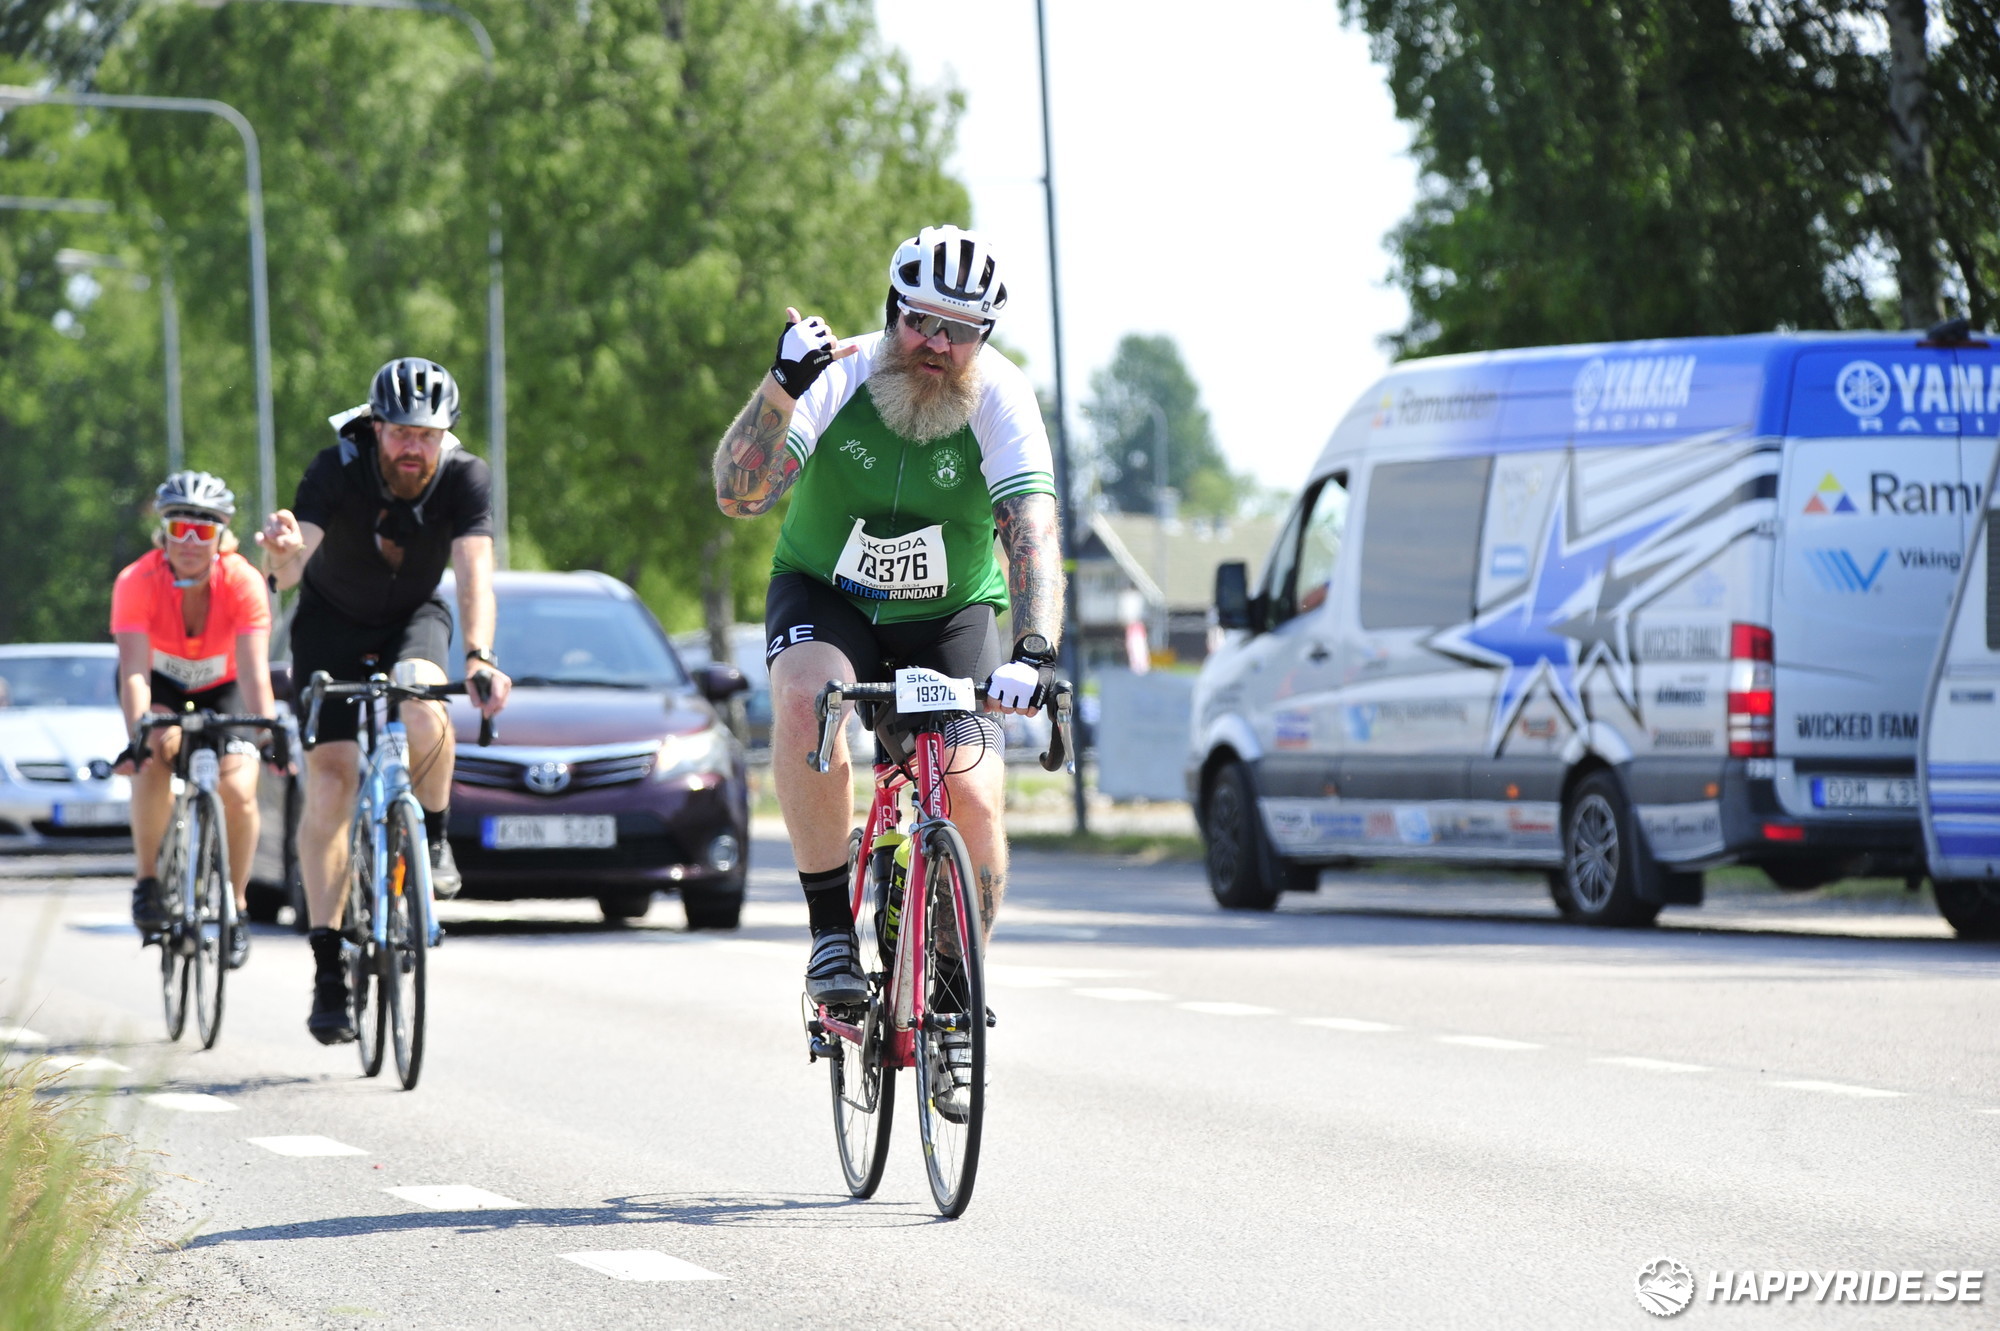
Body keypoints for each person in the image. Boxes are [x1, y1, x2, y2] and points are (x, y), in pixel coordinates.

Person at [712, 225, 1065, 1103]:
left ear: (984, 337)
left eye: (961, 330)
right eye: (920, 322)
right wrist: (781, 387)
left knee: (975, 791)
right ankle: (831, 929)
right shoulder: (840, 373)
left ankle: (952, 994)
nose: (937, 345)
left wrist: (1034, 649)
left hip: (948, 613)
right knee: (808, 699)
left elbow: (1031, 532)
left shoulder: (1002, 396)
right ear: (891, 312)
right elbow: (739, 495)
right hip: (827, 596)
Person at [257, 358, 512, 1045]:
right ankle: (328, 966)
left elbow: (474, 573)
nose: (412, 449)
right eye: (401, 433)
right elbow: (291, 565)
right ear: (376, 429)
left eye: (427, 436)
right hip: (329, 624)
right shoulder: (335, 468)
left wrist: (481, 657)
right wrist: (279, 554)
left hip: (411, 616)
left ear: (444, 436)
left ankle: (434, 837)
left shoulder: (465, 477)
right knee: (332, 780)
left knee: (426, 705)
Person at [112, 472, 281, 969]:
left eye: (202, 531)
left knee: (240, 790)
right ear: (163, 534)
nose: (189, 541)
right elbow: (134, 671)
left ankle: (236, 906)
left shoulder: (244, 581)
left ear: (221, 537)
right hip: (160, 685)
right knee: (153, 754)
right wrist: (138, 733)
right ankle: (148, 881)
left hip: (224, 687)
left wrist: (268, 733)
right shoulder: (136, 580)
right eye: (178, 528)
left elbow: (254, 672)